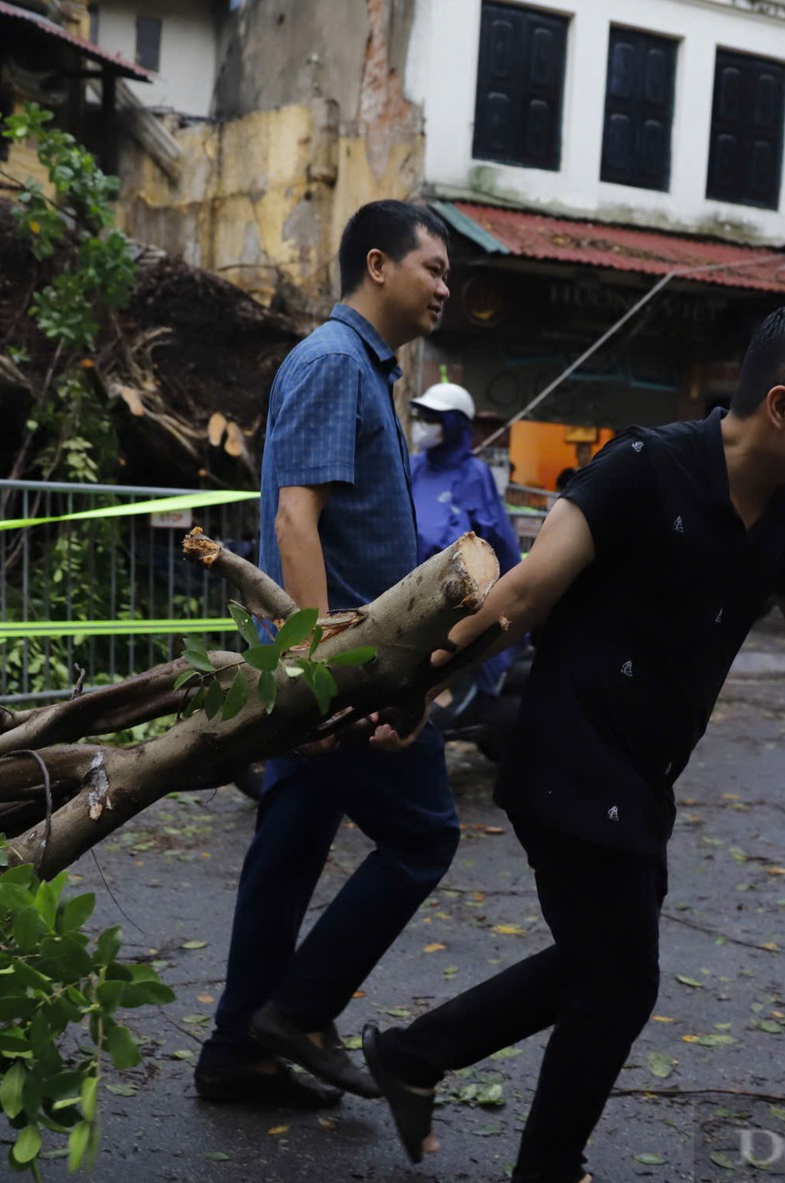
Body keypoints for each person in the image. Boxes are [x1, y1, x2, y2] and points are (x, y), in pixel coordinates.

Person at [355, 303, 785, 1183]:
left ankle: (417, 1056)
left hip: (642, 775)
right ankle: (544, 1174)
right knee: (621, 979)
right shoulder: (640, 468)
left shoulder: (779, 516)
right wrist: (425, 682)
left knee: (598, 962)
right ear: (783, 406)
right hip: (570, 760)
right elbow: (528, 590)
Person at [194, 200, 459, 1110]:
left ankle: (239, 1049)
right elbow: (294, 520)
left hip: (339, 658)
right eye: (434, 268)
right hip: (344, 666)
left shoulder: (363, 369)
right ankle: (299, 1013)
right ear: (378, 265)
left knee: (291, 843)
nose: (444, 287)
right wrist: (323, 672)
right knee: (425, 835)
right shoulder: (333, 362)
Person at [408, 379, 522, 695]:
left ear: (454, 425)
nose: (423, 427)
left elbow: (501, 546)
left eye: (434, 419)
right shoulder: (412, 468)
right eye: (422, 417)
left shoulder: (474, 475)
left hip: (453, 614)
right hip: (403, 607)